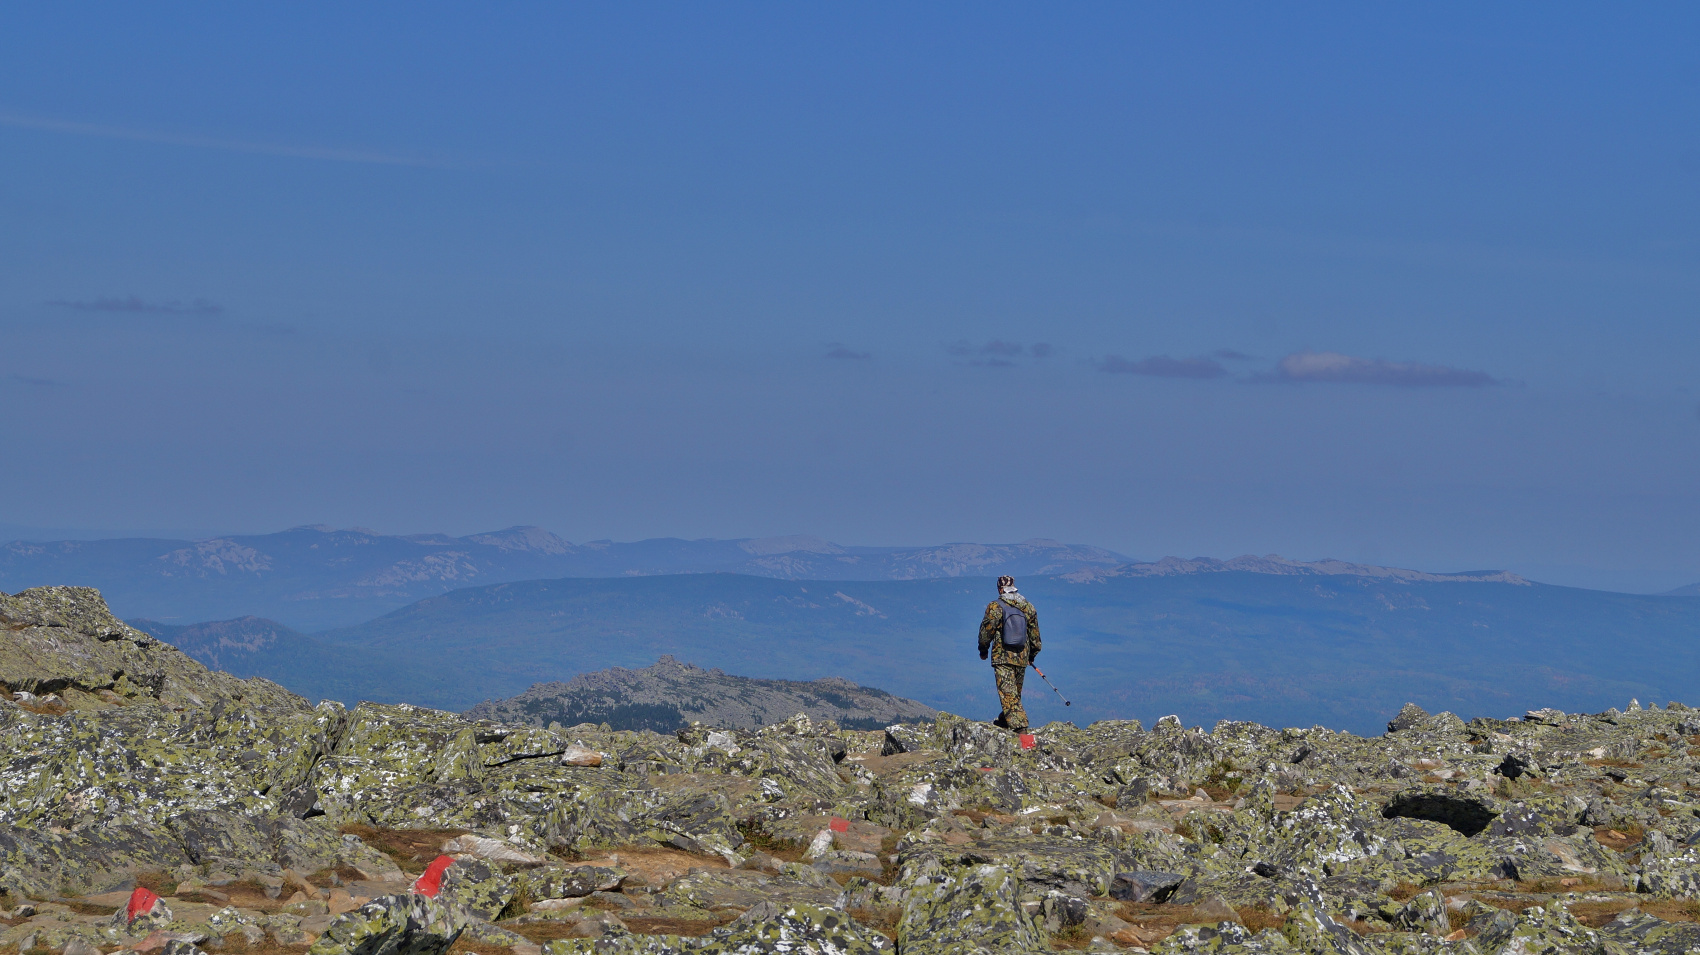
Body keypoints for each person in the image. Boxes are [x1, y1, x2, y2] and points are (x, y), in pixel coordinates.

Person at [978, 575, 1041, 733]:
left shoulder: (995, 606)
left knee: (1009, 694)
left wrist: (983, 650)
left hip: (1002, 657)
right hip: (1021, 656)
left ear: (1000, 589)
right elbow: (1035, 635)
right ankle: (1004, 721)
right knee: (1014, 695)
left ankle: (1021, 732)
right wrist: (1032, 655)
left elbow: (986, 632)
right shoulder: (1028, 607)